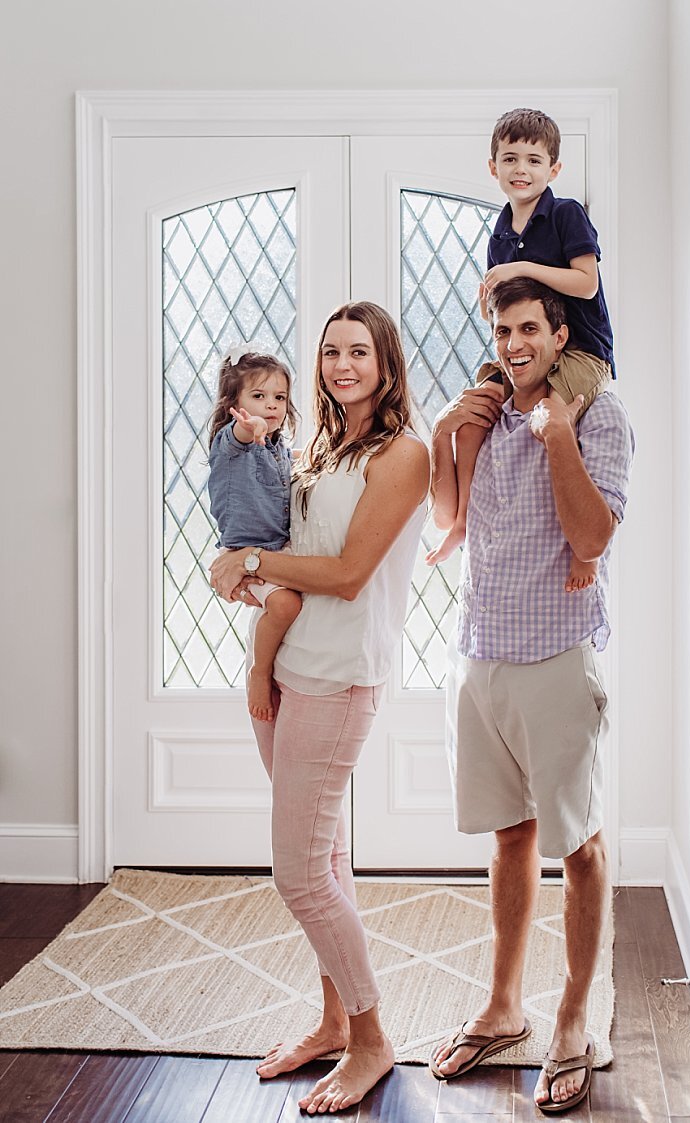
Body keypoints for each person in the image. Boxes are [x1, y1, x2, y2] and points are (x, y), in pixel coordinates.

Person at [208, 302, 429, 1113]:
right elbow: (271, 553)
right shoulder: (317, 446)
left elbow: (343, 573)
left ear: (386, 362)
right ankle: (334, 1021)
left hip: (340, 678)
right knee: (327, 860)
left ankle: (372, 1038)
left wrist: (248, 559)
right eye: (330, 351)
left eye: (358, 351)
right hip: (288, 671)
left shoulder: (404, 453)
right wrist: (244, 592)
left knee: (298, 873)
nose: (341, 364)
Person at [426, 277, 632, 1114]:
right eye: (503, 329)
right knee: (509, 838)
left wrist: (556, 440)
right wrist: (446, 432)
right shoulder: (482, 412)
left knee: (577, 844)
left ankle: (575, 1019)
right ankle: (506, 1006)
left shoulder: (597, 416)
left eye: (529, 330)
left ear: (558, 334)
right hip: (480, 658)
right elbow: (452, 515)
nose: (514, 343)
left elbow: (593, 536)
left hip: (556, 656)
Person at [426, 106, 616, 583]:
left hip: (580, 351)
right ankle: (464, 520)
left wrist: (519, 270)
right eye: (510, 159)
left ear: (553, 169)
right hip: (531, 354)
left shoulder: (565, 214)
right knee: (476, 411)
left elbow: (586, 284)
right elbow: (507, 310)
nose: (521, 170)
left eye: (533, 161)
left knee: (554, 418)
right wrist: (493, 295)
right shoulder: (500, 231)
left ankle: (584, 550)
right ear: (493, 167)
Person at [205, 345, 302, 722]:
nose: (271, 406)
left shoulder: (279, 446)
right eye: (258, 396)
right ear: (233, 402)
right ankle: (258, 673)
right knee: (284, 605)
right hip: (245, 549)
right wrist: (249, 427)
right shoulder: (232, 443)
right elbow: (242, 435)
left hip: (276, 548)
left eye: (279, 397)